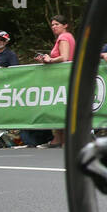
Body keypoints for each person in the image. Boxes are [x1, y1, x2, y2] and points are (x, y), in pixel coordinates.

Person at [37, 16, 76, 148]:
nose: (54, 26)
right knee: (59, 106)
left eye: (57, 24)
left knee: (61, 106)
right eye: (52, 25)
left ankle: (65, 140)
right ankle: (58, 139)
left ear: (65, 25)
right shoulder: (66, 37)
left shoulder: (64, 37)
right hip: (62, 76)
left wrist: (50, 60)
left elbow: (64, 57)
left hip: (63, 76)